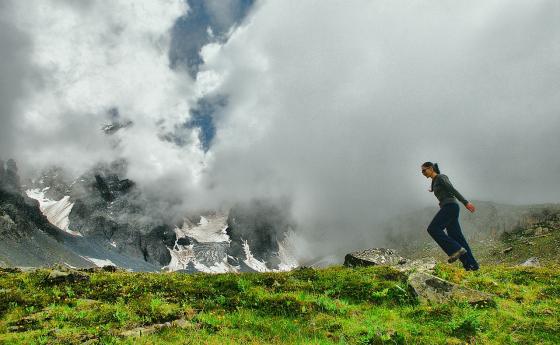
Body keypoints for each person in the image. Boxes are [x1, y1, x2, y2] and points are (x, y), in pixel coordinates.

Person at [421, 162, 479, 271]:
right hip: (449, 207)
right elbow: (438, 188)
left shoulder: (441, 177)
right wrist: (433, 190)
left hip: (450, 206)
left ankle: (455, 250)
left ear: (431, 168)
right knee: (457, 237)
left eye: (424, 170)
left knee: (433, 228)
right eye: (421, 171)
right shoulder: (435, 181)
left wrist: (466, 202)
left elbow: (452, 189)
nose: (422, 173)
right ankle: (471, 266)